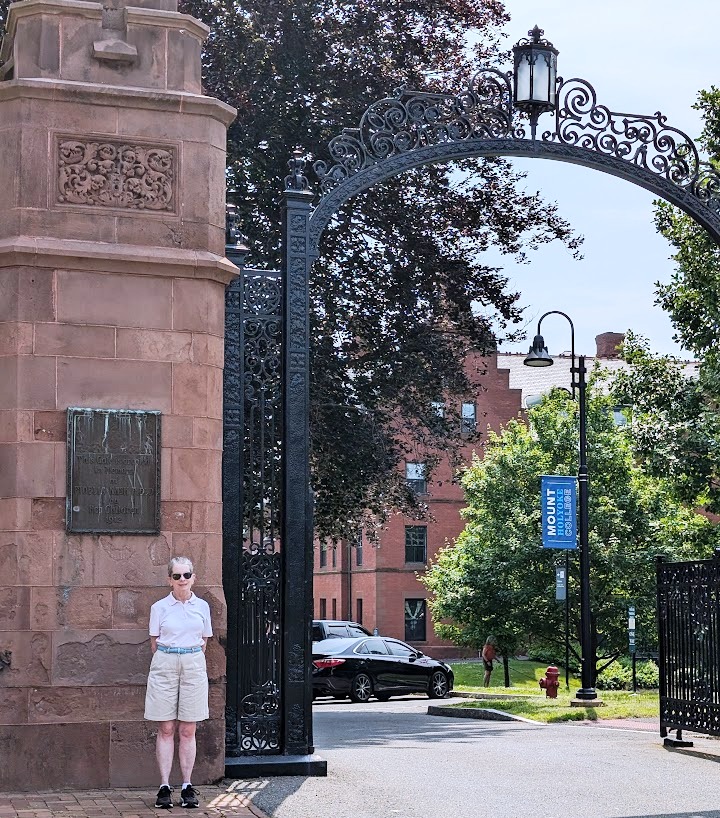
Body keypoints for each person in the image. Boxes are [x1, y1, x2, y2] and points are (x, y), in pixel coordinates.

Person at [144, 557, 213, 809]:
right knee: (165, 727)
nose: (182, 580)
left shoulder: (202, 607)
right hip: (166, 663)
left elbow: (205, 641)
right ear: (169, 580)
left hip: (193, 662)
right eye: (177, 576)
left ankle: (186, 785)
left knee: (188, 729)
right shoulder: (159, 608)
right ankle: (164, 786)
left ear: (193, 577)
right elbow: (154, 642)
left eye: (186, 575)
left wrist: (189, 658)